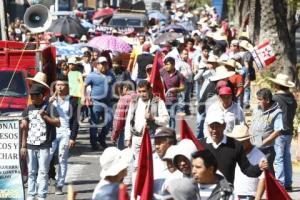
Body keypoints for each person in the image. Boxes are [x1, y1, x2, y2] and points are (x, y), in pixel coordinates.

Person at [199, 111, 268, 184]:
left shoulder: (236, 145)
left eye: (218, 126)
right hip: (204, 191)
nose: (214, 130)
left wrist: (259, 167)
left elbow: (247, 169)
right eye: (212, 126)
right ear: (207, 127)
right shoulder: (200, 145)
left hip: (226, 192)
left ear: (224, 126)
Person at [20, 83, 61, 200]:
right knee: (32, 172)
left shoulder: (50, 107)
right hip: (30, 145)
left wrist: (46, 117)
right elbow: (25, 128)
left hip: (45, 145)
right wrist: (23, 145)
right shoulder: (28, 109)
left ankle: (42, 196)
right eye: (31, 96)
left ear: (41, 96)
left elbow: (58, 123)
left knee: (43, 172)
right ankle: (31, 195)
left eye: (34, 95)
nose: (32, 98)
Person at [124, 80, 169, 162]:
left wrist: (153, 118)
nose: (142, 94)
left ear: (150, 90)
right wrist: (127, 138)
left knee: (151, 164)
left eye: (144, 91)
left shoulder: (158, 102)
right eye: (140, 91)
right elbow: (129, 121)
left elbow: (166, 120)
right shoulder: (134, 102)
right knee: (136, 165)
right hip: (136, 138)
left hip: (151, 139)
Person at [48, 78, 79, 195]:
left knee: (62, 159)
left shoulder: (72, 101)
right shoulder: (51, 100)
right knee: (48, 155)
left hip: (65, 132)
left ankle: (60, 185)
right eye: (57, 85)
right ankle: (47, 178)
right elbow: (43, 114)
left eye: (62, 85)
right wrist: (49, 103)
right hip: (52, 131)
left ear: (67, 87)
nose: (59, 87)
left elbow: (75, 121)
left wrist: (73, 137)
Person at [269, 74, 297, 190]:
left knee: (279, 158)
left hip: (279, 131)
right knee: (286, 157)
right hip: (289, 130)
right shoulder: (292, 98)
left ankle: (280, 184)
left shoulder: (275, 99)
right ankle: (288, 183)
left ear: (277, 85)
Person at [82, 56, 116, 150]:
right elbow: (84, 85)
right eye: (102, 64)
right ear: (97, 65)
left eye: (105, 63)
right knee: (94, 124)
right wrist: (84, 96)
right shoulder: (92, 75)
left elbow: (115, 86)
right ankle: (94, 143)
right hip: (95, 102)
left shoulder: (111, 75)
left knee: (109, 120)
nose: (104, 65)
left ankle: (101, 138)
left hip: (108, 103)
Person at [227, 124, 266, 200]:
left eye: (241, 142)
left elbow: (263, 179)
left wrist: (257, 197)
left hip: (249, 196)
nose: (238, 145)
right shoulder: (233, 152)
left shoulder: (260, 156)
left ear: (248, 140)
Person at [250, 88, 283, 174]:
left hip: (266, 150)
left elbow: (278, 131)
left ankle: (274, 187)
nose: (258, 102)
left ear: (267, 100)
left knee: (268, 175)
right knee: (255, 173)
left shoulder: (277, 113)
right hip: (253, 147)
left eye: (260, 100)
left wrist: (263, 142)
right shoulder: (257, 109)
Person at [160, 57, 185, 128]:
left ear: (173, 64)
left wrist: (176, 89)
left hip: (173, 100)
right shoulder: (162, 71)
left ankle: (172, 134)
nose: (166, 66)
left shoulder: (179, 75)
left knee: (172, 117)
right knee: (163, 118)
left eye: (168, 64)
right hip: (162, 99)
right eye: (165, 64)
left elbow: (183, 87)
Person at [152, 127, 177, 196]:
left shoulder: (180, 161)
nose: (157, 146)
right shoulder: (151, 161)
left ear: (171, 143)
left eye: (159, 143)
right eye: (155, 143)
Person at [111, 82, 137, 150]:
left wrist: (114, 135)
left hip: (125, 132)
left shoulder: (124, 99)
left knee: (123, 156)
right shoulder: (139, 97)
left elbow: (119, 120)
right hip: (138, 132)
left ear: (125, 88)